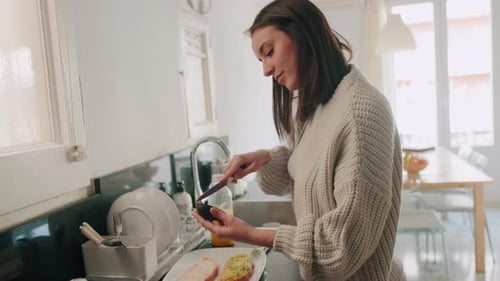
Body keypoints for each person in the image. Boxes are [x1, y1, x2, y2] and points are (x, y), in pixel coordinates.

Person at [192, 0, 404, 280]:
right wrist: (265, 157)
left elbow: (341, 250)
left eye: (269, 52)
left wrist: (254, 234)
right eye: (261, 59)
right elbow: (306, 167)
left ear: (303, 33)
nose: (265, 70)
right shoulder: (315, 104)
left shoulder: (362, 113)